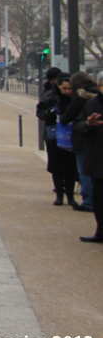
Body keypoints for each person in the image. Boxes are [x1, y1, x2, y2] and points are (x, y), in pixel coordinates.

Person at [61, 71, 98, 212]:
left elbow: (67, 117)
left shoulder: (81, 97)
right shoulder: (98, 96)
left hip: (82, 137)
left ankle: (88, 201)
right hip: (98, 138)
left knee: (84, 170)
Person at [73, 71, 103, 243]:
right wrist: (87, 125)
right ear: (99, 87)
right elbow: (78, 126)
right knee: (99, 199)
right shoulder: (91, 104)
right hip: (97, 157)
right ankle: (100, 232)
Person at [42, 74, 79, 206]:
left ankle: (70, 196)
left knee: (70, 168)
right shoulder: (50, 97)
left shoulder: (76, 99)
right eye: (65, 88)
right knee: (56, 168)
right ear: (58, 86)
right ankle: (59, 195)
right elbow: (40, 113)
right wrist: (50, 113)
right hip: (54, 137)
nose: (68, 91)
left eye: (70, 88)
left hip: (71, 137)